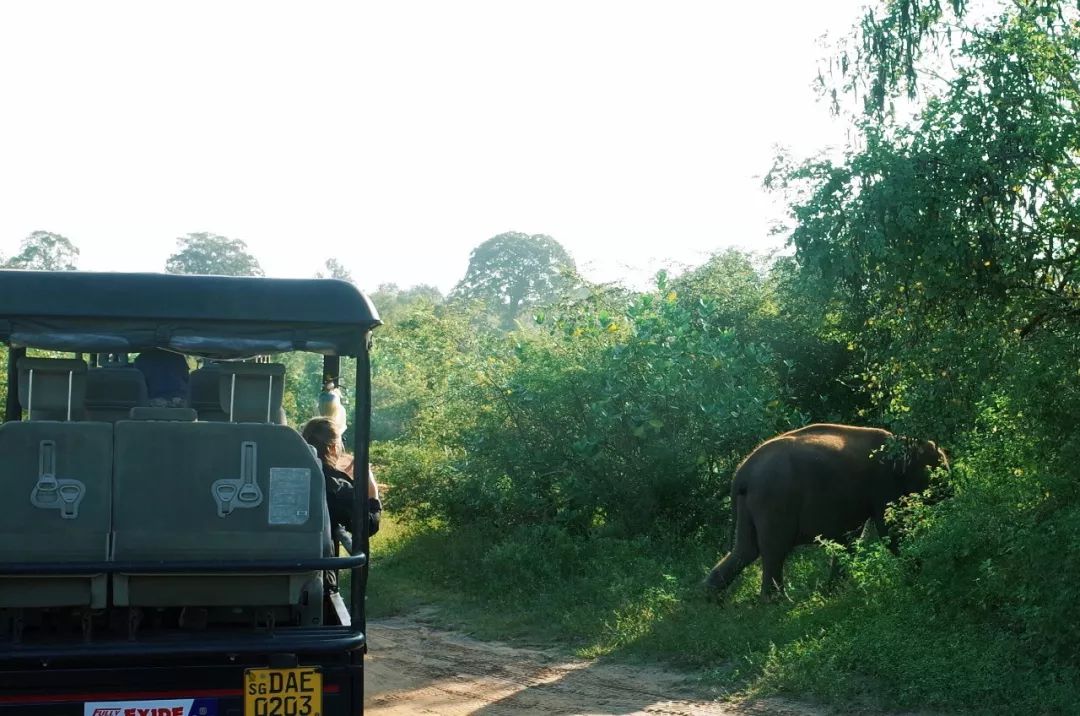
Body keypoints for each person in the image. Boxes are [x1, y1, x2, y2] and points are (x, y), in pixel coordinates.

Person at [301, 416, 382, 545]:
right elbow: (368, 526)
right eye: (341, 441)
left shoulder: (292, 473)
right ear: (333, 448)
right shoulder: (333, 486)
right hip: (315, 554)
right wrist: (372, 493)